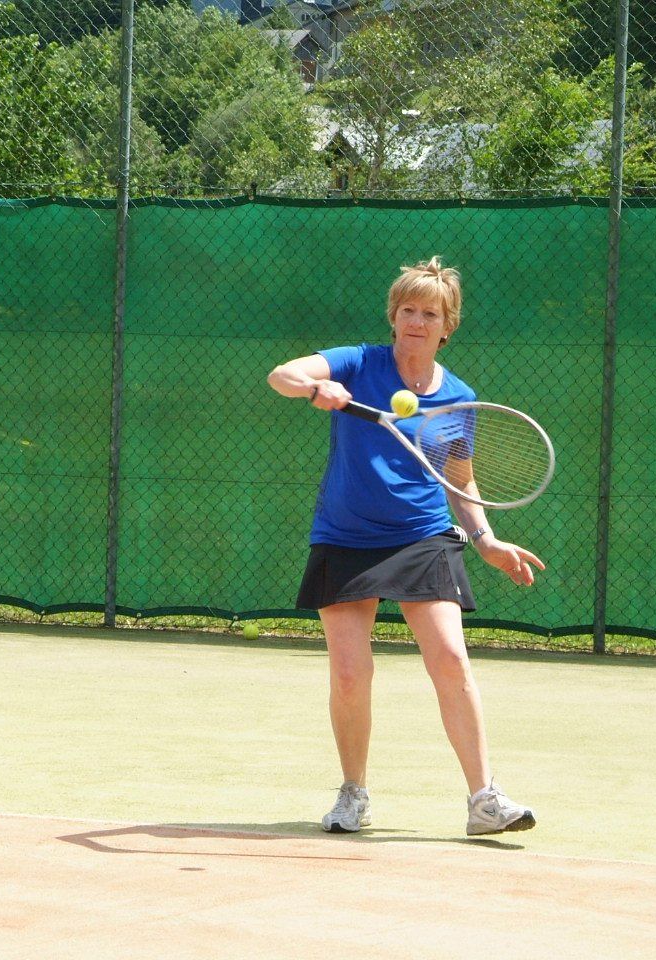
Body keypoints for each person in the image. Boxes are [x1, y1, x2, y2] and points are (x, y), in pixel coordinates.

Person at [267, 257, 545, 837]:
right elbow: (281, 375)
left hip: (422, 534)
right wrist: (317, 387)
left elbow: (458, 479)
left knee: (450, 658)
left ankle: (484, 800)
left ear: (448, 327)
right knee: (350, 673)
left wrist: (486, 540)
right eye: (408, 310)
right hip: (346, 535)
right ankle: (354, 794)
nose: (417, 322)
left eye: (430, 314)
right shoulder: (358, 362)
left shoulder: (458, 398)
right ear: (393, 317)